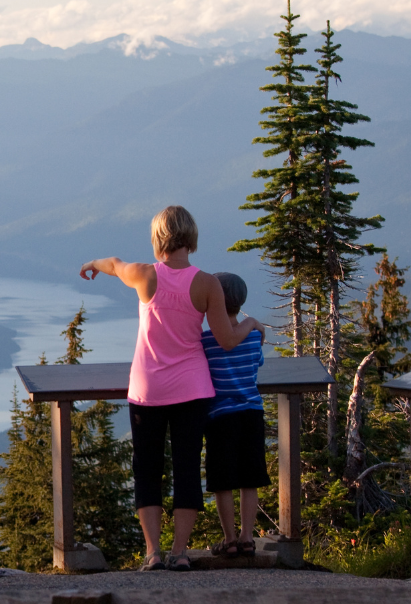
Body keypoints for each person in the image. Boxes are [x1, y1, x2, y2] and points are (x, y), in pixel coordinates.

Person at [80, 206, 263, 571]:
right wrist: (252, 325)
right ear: (190, 237)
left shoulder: (144, 276)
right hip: (193, 389)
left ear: (158, 238)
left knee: (146, 469)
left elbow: (114, 263)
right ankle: (180, 552)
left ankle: (152, 552)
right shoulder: (207, 283)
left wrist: (92, 264)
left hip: (147, 388)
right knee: (185, 469)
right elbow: (226, 340)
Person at [201, 272, 271, 556]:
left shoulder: (205, 342)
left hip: (220, 417)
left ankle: (229, 540)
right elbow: (258, 363)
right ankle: (247, 537)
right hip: (252, 413)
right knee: (249, 479)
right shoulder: (254, 338)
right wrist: (252, 323)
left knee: (223, 481)